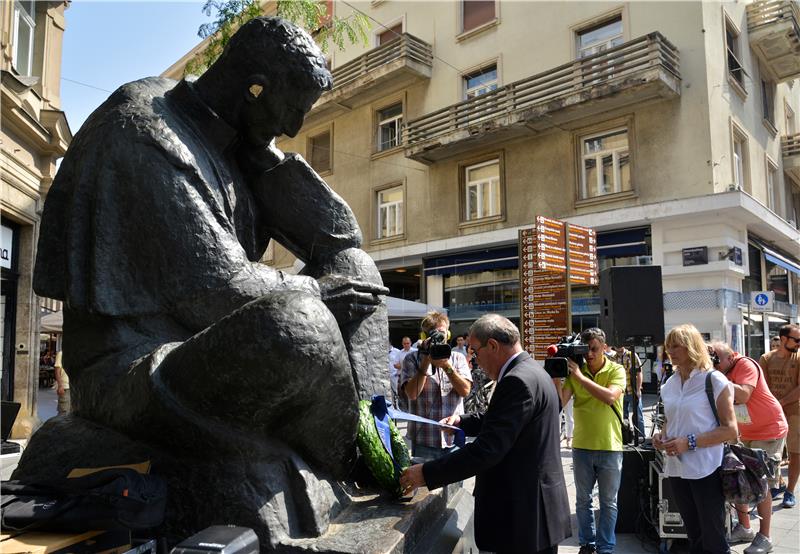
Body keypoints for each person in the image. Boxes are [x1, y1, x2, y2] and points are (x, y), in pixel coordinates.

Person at [32, 17, 389, 479]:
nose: (295, 126)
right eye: (292, 110)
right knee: (302, 324)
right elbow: (218, 291)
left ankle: (381, 440)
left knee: (357, 267)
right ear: (254, 89)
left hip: (194, 344)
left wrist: (270, 164)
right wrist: (318, 293)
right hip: (131, 368)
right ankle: (353, 464)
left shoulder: (233, 141)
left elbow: (343, 239)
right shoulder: (148, 131)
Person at [399, 314, 571, 554]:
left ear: (492, 345)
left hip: (524, 516)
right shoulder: (532, 371)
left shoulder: (516, 381)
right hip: (536, 512)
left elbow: (487, 450)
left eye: (475, 351)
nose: (475, 360)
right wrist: (462, 421)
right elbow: (503, 421)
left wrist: (426, 473)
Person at [653, 324, 737, 554]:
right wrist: (661, 436)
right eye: (668, 345)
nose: (670, 350)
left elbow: (730, 430)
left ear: (691, 347)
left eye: (675, 345)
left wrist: (688, 442)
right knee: (694, 535)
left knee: (714, 538)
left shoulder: (714, 380)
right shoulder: (669, 384)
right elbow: (672, 419)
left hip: (706, 467)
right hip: (677, 467)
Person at [711, 341, 787, 554]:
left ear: (731, 357)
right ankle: (744, 527)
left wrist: (714, 378)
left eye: (717, 360)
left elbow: (743, 395)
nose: (715, 366)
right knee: (736, 478)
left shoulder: (745, 365)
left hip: (769, 430)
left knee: (761, 483)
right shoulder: (719, 373)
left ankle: (765, 537)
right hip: (743, 432)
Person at [555, 327, 625, 554]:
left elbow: (610, 397)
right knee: (583, 501)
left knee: (608, 503)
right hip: (582, 446)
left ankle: (605, 548)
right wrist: (557, 378)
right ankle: (587, 544)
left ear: (605, 347)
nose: (590, 355)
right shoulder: (577, 371)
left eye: (594, 349)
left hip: (609, 446)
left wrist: (580, 378)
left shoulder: (616, 370)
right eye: (586, 350)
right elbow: (558, 403)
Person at [400, 311, 471, 460]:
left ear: (448, 334)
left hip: (453, 439)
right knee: (424, 482)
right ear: (424, 337)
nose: (439, 337)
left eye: (442, 333)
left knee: (454, 483)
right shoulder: (411, 359)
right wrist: (425, 362)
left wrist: (447, 366)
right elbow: (412, 394)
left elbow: (465, 391)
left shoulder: (458, 358)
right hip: (424, 439)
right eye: (434, 334)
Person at [758, 323, 800, 509]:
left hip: (794, 413)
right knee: (773, 454)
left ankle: (790, 491)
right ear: (784, 339)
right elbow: (763, 386)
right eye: (796, 339)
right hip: (771, 414)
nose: (799, 343)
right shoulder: (766, 359)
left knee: (795, 453)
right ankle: (779, 484)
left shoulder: (799, 358)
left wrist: (780, 403)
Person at [618, 344, 645, 440]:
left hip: (632, 391)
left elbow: (639, 373)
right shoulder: (613, 357)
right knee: (622, 417)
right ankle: (626, 438)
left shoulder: (631, 355)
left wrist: (638, 390)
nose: (619, 346)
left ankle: (641, 438)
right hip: (620, 393)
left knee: (638, 416)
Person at [54, 350, 70, 416]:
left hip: (75, 387)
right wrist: (60, 385)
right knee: (64, 411)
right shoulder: (61, 354)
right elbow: (57, 371)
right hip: (65, 387)